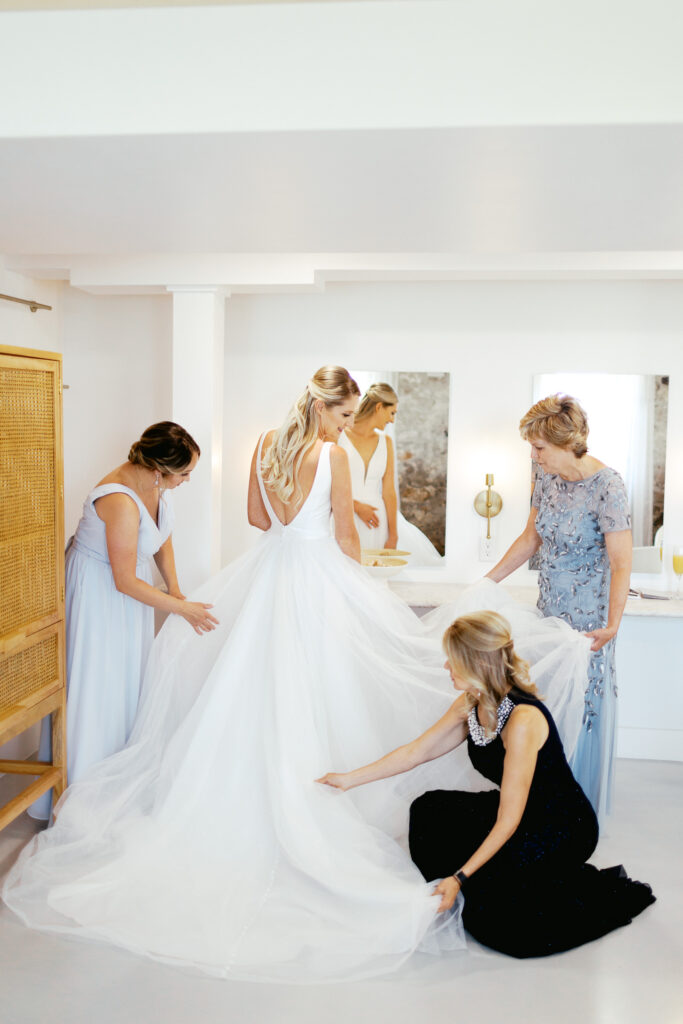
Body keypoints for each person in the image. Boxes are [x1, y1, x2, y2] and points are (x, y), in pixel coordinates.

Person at [5, 369, 589, 983]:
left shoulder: (262, 444)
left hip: (268, 574)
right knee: (326, 688)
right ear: (325, 409)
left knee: (249, 693)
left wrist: (296, 521)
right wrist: (361, 588)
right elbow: (342, 537)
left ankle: (247, 796)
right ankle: (318, 792)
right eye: (342, 416)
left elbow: (259, 519)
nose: (344, 427)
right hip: (314, 581)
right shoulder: (332, 455)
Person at [318, 610, 654, 958]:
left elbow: (509, 820)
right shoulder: (470, 704)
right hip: (518, 812)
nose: (446, 667)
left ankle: (470, 884)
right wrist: (347, 780)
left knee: (503, 923)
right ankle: (465, 884)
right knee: (428, 809)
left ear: (476, 661)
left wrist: (460, 876)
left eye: (452, 659)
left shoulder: (523, 719)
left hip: (561, 825)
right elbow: (416, 752)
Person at [29, 421, 218, 821]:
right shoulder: (118, 499)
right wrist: (180, 609)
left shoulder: (155, 487)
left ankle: (121, 782)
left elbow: (161, 535)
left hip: (129, 596)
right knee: (99, 684)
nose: (187, 480)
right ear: (159, 469)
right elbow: (124, 578)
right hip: (101, 595)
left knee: (127, 682)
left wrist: (176, 589)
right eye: (184, 473)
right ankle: (83, 800)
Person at [484, 395, 632, 821]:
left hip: (588, 624)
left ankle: (573, 817)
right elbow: (531, 539)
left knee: (579, 708)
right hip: (547, 614)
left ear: (567, 443)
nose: (533, 455)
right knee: (544, 707)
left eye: (539, 448)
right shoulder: (544, 475)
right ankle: (536, 809)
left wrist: (613, 626)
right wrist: (488, 581)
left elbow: (622, 563)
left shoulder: (608, 486)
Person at [339, 382, 442, 564]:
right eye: (392, 413)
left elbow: (389, 491)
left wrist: (393, 535)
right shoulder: (339, 436)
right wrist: (357, 506)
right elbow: (330, 482)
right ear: (379, 407)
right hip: (344, 515)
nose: (392, 420)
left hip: (377, 523)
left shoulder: (385, 442)